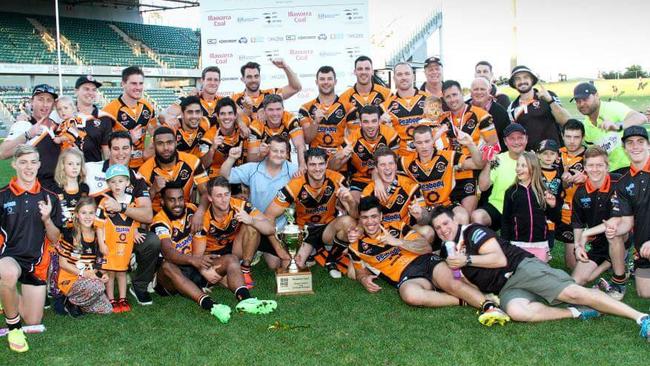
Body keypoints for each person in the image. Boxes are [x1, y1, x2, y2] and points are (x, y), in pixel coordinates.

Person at [431, 206, 650, 340]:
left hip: (521, 268)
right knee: (517, 312)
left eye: (445, 223)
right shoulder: (447, 250)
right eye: (438, 228)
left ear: (455, 220)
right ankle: (577, 312)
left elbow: (499, 259)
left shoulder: (472, 231)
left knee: (572, 292)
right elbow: (467, 280)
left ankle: (641, 318)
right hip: (507, 288)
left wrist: (466, 259)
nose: (443, 230)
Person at [346, 196, 510, 326]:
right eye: (365, 217)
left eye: (374, 216)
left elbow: (425, 247)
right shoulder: (356, 246)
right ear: (360, 219)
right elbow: (359, 271)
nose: (370, 221)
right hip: (406, 276)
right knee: (410, 296)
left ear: (380, 216)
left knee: (452, 283)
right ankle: (463, 299)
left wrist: (398, 242)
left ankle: (489, 307)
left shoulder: (396, 227)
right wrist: (363, 278)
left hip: (425, 261)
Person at [152, 183, 277, 323]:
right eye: (171, 200)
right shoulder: (160, 220)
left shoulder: (192, 209)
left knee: (231, 259)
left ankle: (246, 300)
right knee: (167, 266)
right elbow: (168, 252)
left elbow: (206, 195)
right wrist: (193, 260)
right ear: (162, 201)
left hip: (195, 265)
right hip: (172, 277)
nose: (177, 204)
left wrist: (199, 212)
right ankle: (211, 305)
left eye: (180, 199)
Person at [84, 131, 160, 306]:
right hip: (96, 232)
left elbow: (147, 215)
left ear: (132, 149)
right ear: (108, 150)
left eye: (125, 148)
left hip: (125, 232)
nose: (121, 153)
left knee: (152, 241)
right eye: (116, 148)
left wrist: (122, 208)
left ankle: (139, 285)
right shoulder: (90, 169)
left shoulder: (136, 178)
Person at [0, 145, 62, 353]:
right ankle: (14, 327)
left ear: (39, 164)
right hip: (9, 258)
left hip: (37, 264)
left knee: (33, 319)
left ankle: (5, 298)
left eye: (33, 162)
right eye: (23, 162)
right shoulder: (2, 196)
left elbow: (55, 238)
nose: (29, 167)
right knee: (7, 273)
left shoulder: (50, 197)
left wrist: (46, 219)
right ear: (14, 164)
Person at [266, 148, 357, 278]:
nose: (317, 168)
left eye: (321, 164)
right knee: (292, 268)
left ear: (326, 164)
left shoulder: (338, 180)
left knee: (349, 222)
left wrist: (351, 201)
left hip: (327, 228)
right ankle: (315, 251)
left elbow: (355, 216)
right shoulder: (295, 184)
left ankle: (330, 259)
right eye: (312, 164)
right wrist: (278, 248)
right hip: (305, 231)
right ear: (306, 166)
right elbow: (269, 215)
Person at [220, 135, 296, 277]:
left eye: (282, 151)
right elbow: (225, 176)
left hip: (277, 229)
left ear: (287, 154)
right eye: (275, 150)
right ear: (267, 151)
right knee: (240, 250)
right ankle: (247, 263)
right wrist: (231, 158)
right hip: (253, 225)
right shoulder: (253, 168)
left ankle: (260, 250)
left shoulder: (293, 170)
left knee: (274, 265)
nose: (279, 155)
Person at [571, 147, 627, 298]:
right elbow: (577, 223)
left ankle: (619, 281)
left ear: (607, 167)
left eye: (599, 165)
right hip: (598, 243)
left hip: (622, 236)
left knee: (612, 232)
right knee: (579, 280)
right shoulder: (580, 192)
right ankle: (612, 261)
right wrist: (578, 246)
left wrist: (587, 233)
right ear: (585, 168)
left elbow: (618, 219)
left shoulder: (619, 183)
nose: (595, 170)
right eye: (590, 165)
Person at [398, 125, 483, 224]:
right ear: (414, 144)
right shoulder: (406, 161)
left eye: (427, 141)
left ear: (433, 140)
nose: (424, 146)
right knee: (426, 231)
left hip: (447, 205)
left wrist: (470, 144)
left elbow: (478, 164)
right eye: (419, 142)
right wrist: (378, 180)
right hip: (425, 210)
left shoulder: (448, 156)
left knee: (462, 216)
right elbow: (384, 167)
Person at [96, 164, 150, 313]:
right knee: (110, 272)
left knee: (122, 271)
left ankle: (122, 298)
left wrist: (136, 232)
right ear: (108, 184)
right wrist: (101, 243)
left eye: (120, 181)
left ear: (127, 182)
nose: (117, 185)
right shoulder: (104, 202)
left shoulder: (131, 201)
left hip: (124, 245)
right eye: (113, 182)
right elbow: (99, 225)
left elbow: (134, 220)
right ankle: (111, 299)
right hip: (110, 244)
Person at [439, 80, 498, 214]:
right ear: (443, 99)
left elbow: (493, 144)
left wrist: (483, 165)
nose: (452, 99)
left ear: (462, 93)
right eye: (448, 97)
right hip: (449, 172)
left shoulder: (481, 115)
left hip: (472, 172)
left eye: (455, 94)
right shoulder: (442, 119)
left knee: (467, 215)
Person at [610, 126, 650, 298]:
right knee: (644, 293)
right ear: (624, 148)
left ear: (648, 144)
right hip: (644, 250)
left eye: (640, 142)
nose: (635, 146)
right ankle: (621, 278)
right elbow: (627, 222)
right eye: (630, 143)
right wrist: (613, 231)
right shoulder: (623, 182)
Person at [573, 82, 648, 173]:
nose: (581, 104)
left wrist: (618, 126)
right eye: (578, 101)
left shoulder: (612, 108)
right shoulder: (585, 125)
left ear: (597, 95)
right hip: (609, 174)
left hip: (632, 168)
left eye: (585, 99)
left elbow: (640, 118)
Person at [329, 105, 400, 201]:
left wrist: (378, 181)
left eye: (374, 121)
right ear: (360, 123)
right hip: (360, 180)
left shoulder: (390, 134)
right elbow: (332, 167)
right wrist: (340, 155)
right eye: (366, 122)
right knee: (355, 205)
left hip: (385, 177)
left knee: (387, 202)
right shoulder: (351, 139)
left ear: (379, 121)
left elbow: (392, 165)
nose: (370, 126)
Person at [56, 197, 112, 316]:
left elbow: (99, 263)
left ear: (96, 215)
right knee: (98, 287)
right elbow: (63, 263)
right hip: (71, 279)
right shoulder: (69, 234)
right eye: (83, 213)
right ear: (76, 214)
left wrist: (101, 275)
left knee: (107, 309)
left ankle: (79, 304)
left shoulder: (99, 235)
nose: (87, 217)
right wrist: (83, 274)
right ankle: (68, 301)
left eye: (91, 213)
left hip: (89, 278)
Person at [0, 84, 61, 190]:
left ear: (53, 104)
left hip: (57, 190)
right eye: (40, 99)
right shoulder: (24, 125)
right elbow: (2, 153)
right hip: (34, 191)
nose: (45, 104)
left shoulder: (58, 126)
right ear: (32, 102)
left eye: (49, 100)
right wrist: (28, 134)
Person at [502, 151, 560, 262]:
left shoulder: (543, 191)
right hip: (518, 244)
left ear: (533, 167)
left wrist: (553, 206)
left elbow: (555, 218)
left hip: (540, 244)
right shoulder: (511, 192)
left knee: (540, 274)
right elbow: (505, 220)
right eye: (518, 165)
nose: (519, 168)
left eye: (523, 165)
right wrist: (505, 244)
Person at [138, 126, 210, 213]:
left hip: (185, 212)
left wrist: (199, 214)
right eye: (160, 143)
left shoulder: (193, 162)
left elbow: (205, 192)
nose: (166, 148)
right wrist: (153, 190)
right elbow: (140, 206)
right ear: (154, 145)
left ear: (176, 143)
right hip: (157, 216)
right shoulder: (144, 170)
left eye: (169, 142)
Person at [49, 148, 89, 299]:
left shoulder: (84, 189)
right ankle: (54, 284)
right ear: (62, 166)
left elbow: (87, 214)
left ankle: (79, 283)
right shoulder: (55, 189)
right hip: (60, 235)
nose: (74, 167)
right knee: (57, 256)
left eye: (77, 164)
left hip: (79, 234)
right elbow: (54, 217)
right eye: (70, 164)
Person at [472, 124, 528, 228]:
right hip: (498, 206)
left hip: (524, 208)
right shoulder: (497, 160)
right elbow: (483, 187)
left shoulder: (532, 159)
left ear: (526, 139)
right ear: (505, 142)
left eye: (520, 138)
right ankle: (484, 242)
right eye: (511, 139)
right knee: (477, 216)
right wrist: (489, 163)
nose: (516, 142)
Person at [102, 66, 158, 169]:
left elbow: (154, 132)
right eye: (133, 83)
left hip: (143, 165)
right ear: (123, 84)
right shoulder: (109, 111)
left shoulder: (148, 107)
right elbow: (105, 145)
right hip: (120, 166)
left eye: (140, 83)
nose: (138, 87)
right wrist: (128, 138)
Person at [507, 65, 570, 150]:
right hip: (530, 159)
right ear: (514, 83)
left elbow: (566, 121)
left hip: (554, 156)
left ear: (532, 80)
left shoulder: (548, 95)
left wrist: (550, 101)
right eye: (517, 79)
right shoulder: (512, 108)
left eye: (525, 77)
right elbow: (515, 137)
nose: (522, 81)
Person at [361, 147, 426, 226]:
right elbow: (364, 221)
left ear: (396, 166)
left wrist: (419, 217)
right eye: (382, 165)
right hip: (380, 234)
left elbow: (425, 220)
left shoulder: (410, 186)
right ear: (376, 169)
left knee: (427, 231)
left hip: (406, 232)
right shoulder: (368, 191)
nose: (387, 168)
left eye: (391, 163)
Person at [299, 66, 350, 156]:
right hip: (316, 164)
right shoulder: (306, 108)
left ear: (335, 82)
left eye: (329, 79)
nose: (326, 82)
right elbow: (307, 140)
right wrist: (315, 122)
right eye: (322, 79)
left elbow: (354, 138)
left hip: (341, 163)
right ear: (316, 82)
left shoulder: (349, 107)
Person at [248, 94, 307, 172]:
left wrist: (302, 165)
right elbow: (250, 159)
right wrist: (260, 155)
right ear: (264, 111)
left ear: (283, 109)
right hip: (263, 168)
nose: (275, 113)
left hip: (285, 165)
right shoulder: (256, 125)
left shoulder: (289, 118)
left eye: (278, 109)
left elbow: (300, 145)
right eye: (271, 110)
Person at [382, 62, 430, 155]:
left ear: (413, 76)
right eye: (399, 74)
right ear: (394, 78)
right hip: (401, 157)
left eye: (407, 74)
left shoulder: (428, 99)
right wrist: (381, 123)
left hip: (426, 155)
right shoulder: (385, 106)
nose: (403, 77)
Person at [558, 120, 587, 268]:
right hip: (560, 208)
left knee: (575, 263)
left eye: (576, 137)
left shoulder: (590, 156)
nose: (572, 141)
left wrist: (585, 179)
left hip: (584, 209)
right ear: (562, 136)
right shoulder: (555, 154)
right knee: (571, 264)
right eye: (568, 136)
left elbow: (604, 181)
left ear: (583, 137)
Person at [232, 60, 302, 122]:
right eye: (249, 77)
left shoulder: (272, 94)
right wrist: (246, 110)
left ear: (260, 77)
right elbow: (235, 123)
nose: (253, 80)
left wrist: (285, 67)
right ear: (242, 79)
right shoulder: (235, 99)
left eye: (256, 76)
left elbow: (295, 87)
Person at [201, 97, 248, 179]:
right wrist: (212, 148)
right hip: (217, 176)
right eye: (222, 114)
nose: (227, 117)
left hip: (239, 173)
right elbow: (203, 165)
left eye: (230, 113)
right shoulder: (209, 136)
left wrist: (243, 125)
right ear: (217, 116)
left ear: (235, 116)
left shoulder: (243, 125)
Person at [339, 55, 391, 124]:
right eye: (360, 69)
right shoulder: (344, 97)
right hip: (354, 135)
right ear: (354, 72)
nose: (363, 72)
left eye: (367, 69)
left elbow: (394, 123)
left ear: (372, 71)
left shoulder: (387, 94)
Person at [73, 75, 113, 163]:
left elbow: (106, 151)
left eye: (94, 90)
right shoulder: (65, 115)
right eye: (86, 89)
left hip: (92, 170)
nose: (90, 93)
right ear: (76, 91)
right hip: (66, 170)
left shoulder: (104, 118)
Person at [468, 77, 510, 151]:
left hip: (494, 157)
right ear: (470, 91)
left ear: (489, 91)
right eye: (476, 89)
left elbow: (506, 139)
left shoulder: (500, 112)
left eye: (482, 89)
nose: (479, 92)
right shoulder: (464, 109)